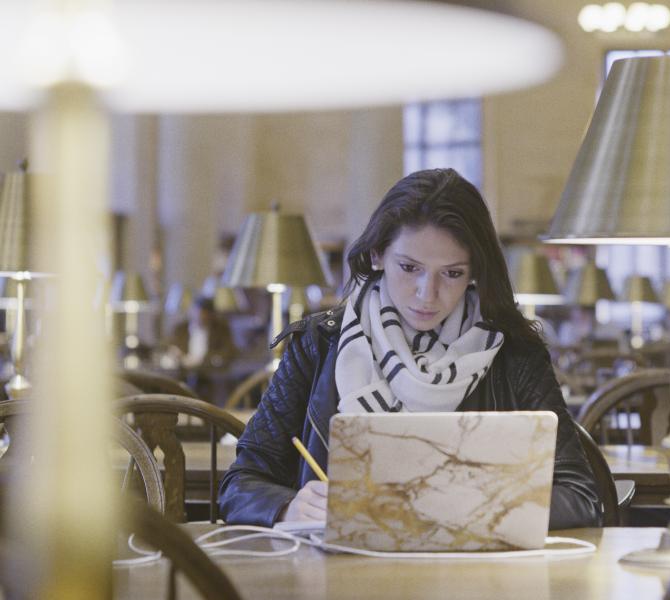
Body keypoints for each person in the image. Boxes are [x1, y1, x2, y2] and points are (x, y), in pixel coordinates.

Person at [219, 168, 600, 530]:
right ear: (377, 255)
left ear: (474, 274)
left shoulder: (515, 353)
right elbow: (242, 483)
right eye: (409, 267)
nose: (427, 293)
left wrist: (475, 509)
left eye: (452, 273)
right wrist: (287, 507)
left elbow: (581, 495)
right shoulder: (317, 346)